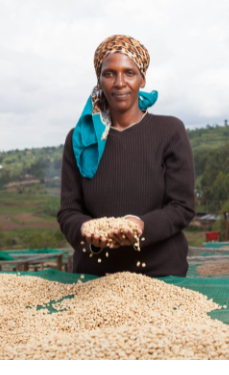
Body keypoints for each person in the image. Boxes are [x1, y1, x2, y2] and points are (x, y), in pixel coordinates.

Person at [58, 34, 195, 278]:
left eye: (129, 73)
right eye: (109, 73)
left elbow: (182, 206)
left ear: (142, 79)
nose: (120, 82)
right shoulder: (79, 139)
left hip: (160, 275)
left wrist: (141, 225)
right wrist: (87, 230)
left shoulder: (170, 131)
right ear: (99, 81)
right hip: (94, 278)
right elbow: (69, 211)